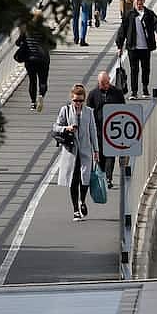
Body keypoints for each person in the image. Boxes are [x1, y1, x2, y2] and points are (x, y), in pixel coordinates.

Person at [53, 84, 99, 221]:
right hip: (71, 151)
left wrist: (96, 150)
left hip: (85, 150)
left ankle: (82, 201)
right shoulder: (65, 110)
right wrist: (67, 128)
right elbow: (55, 127)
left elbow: (93, 132)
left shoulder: (89, 112)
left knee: (85, 179)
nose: (78, 103)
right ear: (71, 99)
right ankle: (75, 210)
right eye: (75, 100)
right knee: (74, 180)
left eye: (80, 100)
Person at [116, 0, 157, 98]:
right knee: (134, 69)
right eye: (137, 0)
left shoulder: (149, 13)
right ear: (134, 1)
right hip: (132, 47)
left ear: (144, 1)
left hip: (145, 47)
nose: (139, 2)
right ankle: (134, 91)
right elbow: (122, 31)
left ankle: (145, 89)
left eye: (141, 0)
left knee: (146, 69)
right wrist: (119, 46)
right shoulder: (129, 15)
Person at [86, 70, 126, 189]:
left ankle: (108, 178)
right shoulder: (93, 94)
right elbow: (89, 111)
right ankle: (102, 176)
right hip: (98, 129)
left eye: (107, 82)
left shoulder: (117, 93)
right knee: (101, 155)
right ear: (99, 83)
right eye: (103, 83)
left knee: (111, 154)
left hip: (113, 129)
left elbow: (123, 108)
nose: (106, 85)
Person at [16, 16, 50, 111]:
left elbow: (17, 43)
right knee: (43, 81)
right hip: (43, 59)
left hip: (30, 60)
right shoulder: (44, 31)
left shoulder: (27, 31)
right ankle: (41, 96)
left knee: (32, 81)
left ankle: (33, 103)